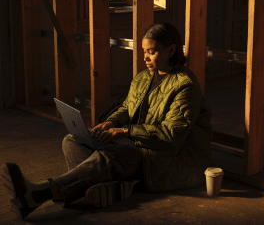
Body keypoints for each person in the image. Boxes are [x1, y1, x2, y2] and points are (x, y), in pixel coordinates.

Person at [1, 22, 212, 220]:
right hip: (136, 143)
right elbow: (127, 108)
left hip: (160, 156)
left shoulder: (185, 85)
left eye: (151, 52)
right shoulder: (143, 77)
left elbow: (171, 136)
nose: (145, 58)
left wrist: (125, 131)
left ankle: (39, 194)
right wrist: (111, 123)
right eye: (144, 51)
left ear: (171, 50)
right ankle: (107, 187)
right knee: (72, 140)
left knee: (109, 156)